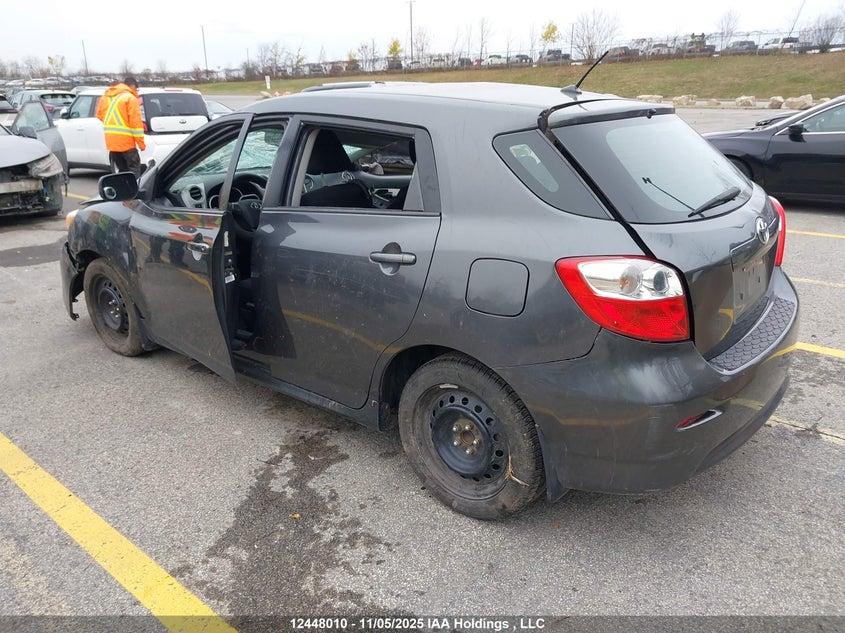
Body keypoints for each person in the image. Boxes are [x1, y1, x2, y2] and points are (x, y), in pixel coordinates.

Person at [96, 77, 145, 178]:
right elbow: (136, 124)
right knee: (134, 172)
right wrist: (141, 144)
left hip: (112, 144)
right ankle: (134, 193)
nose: (136, 91)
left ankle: (123, 191)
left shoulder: (105, 97)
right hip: (127, 144)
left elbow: (99, 115)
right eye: (136, 89)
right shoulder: (130, 98)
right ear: (132, 86)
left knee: (122, 171)